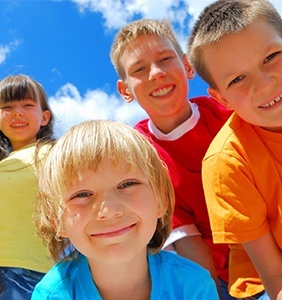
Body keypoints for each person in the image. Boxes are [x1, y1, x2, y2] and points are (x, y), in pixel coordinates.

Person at [110, 19, 233, 299]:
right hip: (219, 276)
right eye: (139, 69)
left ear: (188, 66)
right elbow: (188, 241)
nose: (156, 73)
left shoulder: (227, 113)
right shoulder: (140, 154)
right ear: (125, 90)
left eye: (165, 59)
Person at [31, 119, 218, 299]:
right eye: (82, 195)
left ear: (160, 199)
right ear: (56, 219)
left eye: (127, 184)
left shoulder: (194, 286)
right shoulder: (51, 295)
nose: (110, 210)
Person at [187, 0, 282, 299]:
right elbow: (276, 276)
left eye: (271, 57)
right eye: (237, 79)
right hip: (272, 282)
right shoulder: (226, 162)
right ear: (222, 99)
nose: (264, 86)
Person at [0, 74, 55, 299]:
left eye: (27, 105)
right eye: (7, 106)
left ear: (44, 117)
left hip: (29, 272)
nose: (17, 112)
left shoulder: (54, 153)